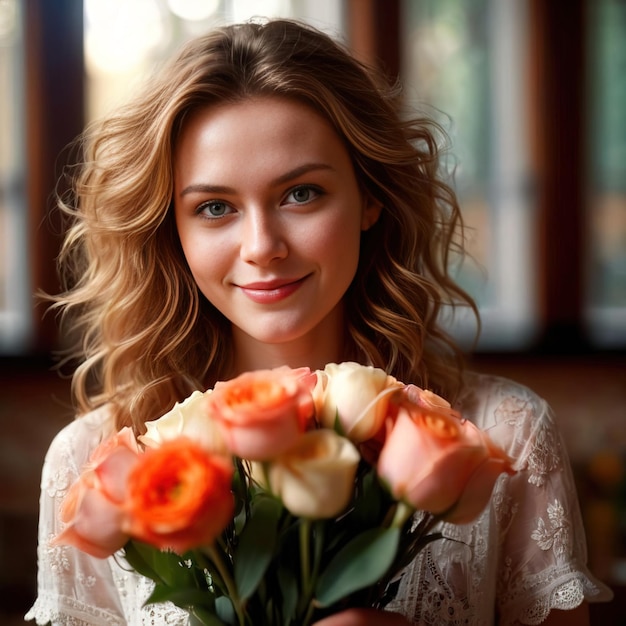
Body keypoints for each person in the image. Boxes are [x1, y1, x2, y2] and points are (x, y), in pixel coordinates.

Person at [25, 18, 612, 626]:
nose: (262, 246)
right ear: (173, 230)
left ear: (370, 196)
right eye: (215, 207)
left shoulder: (503, 438)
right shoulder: (94, 468)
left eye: (300, 194)